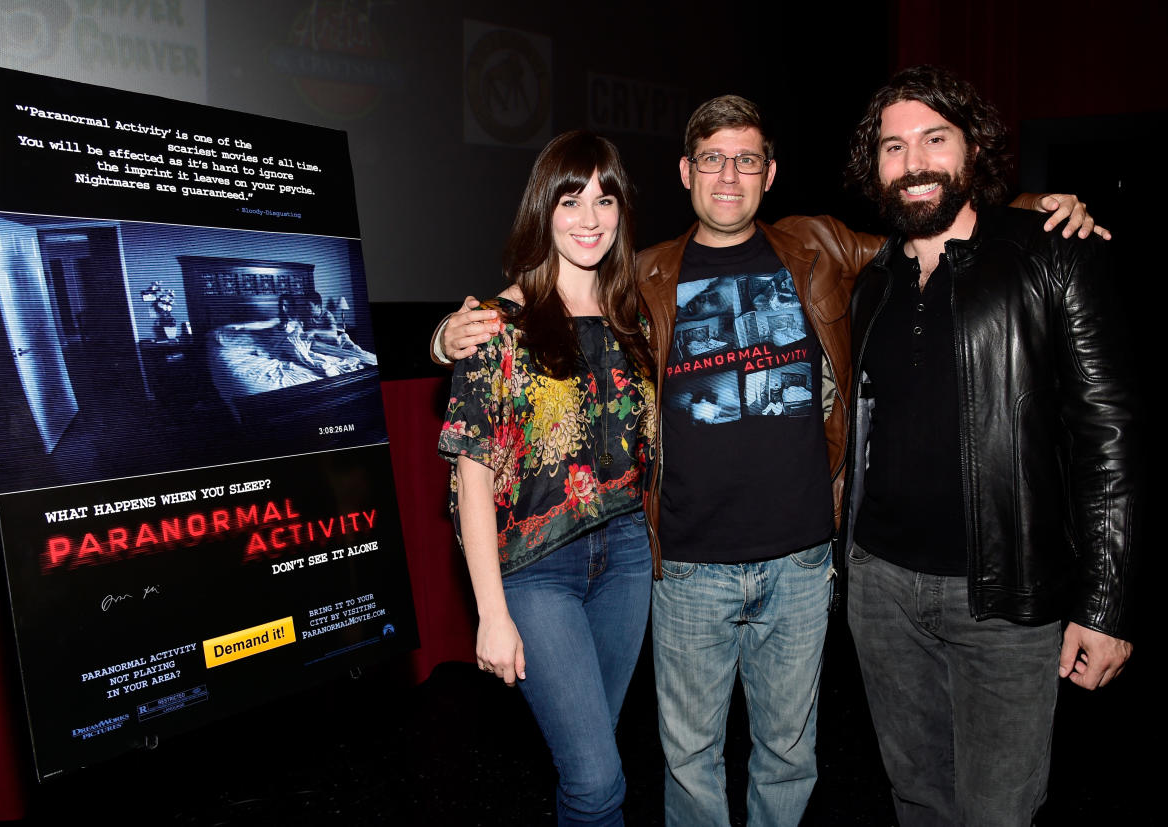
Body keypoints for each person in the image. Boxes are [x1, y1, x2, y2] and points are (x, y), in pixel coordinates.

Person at [434, 98, 1101, 826]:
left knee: (788, 756)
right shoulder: (645, 281)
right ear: (686, 171)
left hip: (801, 566)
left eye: (747, 159)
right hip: (683, 569)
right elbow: (522, 338)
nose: (730, 174)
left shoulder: (818, 247)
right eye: (713, 158)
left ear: (770, 172)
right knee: (685, 764)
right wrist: (446, 334)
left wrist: (1032, 205)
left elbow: (931, 227)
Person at [842, 65, 1139, 825]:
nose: (913, 163)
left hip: (1007, 600)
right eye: (893, 147)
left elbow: (1107, 435)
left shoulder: (1051, 252)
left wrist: (1104, 604)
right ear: (873, 167)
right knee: (917, 801)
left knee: (999, 812)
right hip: (881, 593)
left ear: (971, 149)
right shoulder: (871, 282)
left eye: (934, 140)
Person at [437, 130, 657, 825]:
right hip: (535, 571)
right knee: (597, 781)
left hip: (625, 557)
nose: (589, 217)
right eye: (571, 199)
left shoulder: (633, 317)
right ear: (543, 209)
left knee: (592, 767)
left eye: (605, 198)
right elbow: (470, 478)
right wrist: (492, 613)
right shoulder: (495, 326)